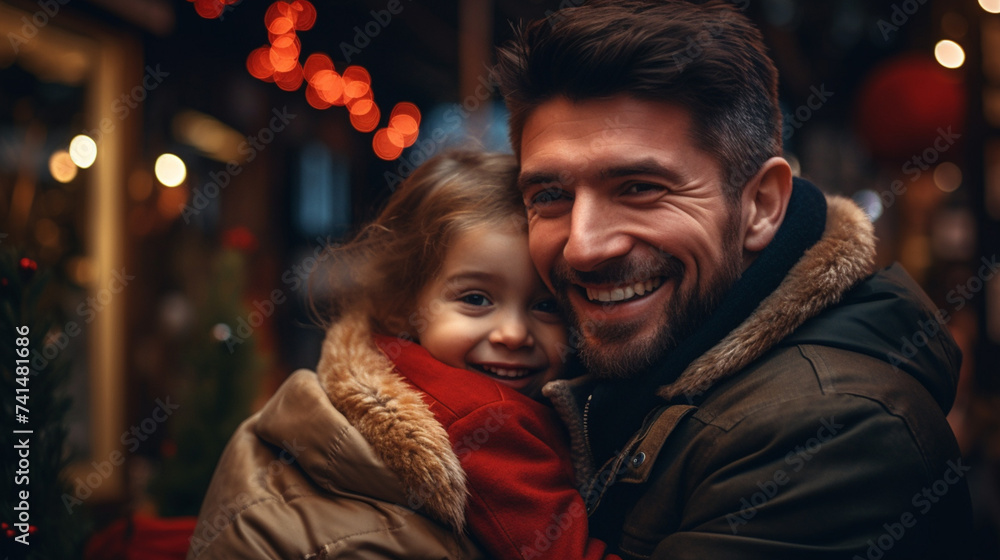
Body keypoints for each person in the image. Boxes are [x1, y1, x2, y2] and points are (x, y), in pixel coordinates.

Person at [492, 1, 974, 558]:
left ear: (762, 205)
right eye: (550, 197)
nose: (584, 247)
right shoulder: (594, 368)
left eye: (640, 187)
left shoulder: (834, 431)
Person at [188, 150, 617, 559]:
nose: (512, 333)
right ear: (402, 307)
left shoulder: (397, 362)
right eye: (475, 299)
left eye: (545, 306)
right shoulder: (486, 418)